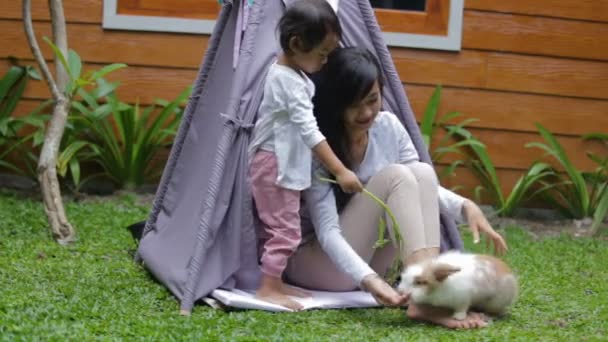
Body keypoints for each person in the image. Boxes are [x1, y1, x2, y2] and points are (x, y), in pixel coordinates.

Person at [283, 47, 508, 329]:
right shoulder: (319, 145)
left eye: (372, 99)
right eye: (354, 105)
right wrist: (371, 279)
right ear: (336, 103)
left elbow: (420, 187)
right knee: (396, 175)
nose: (366, 112)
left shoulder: (388, 126)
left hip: (366, 261)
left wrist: (466, 207)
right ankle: (426, 298)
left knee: (421, 171)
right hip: (319, 264)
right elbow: (328, 232)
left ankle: (427, 294)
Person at [248, 0, 363, 311]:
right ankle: (267, 287)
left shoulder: (287, 72)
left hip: (276, 163)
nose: (325, 62)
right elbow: (309, 132)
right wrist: (340, 170)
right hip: (275, 166)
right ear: (297, 44)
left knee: (277, 226)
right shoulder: (288, 82)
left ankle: (274, 279)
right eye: (322, 55)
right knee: (285, 229)